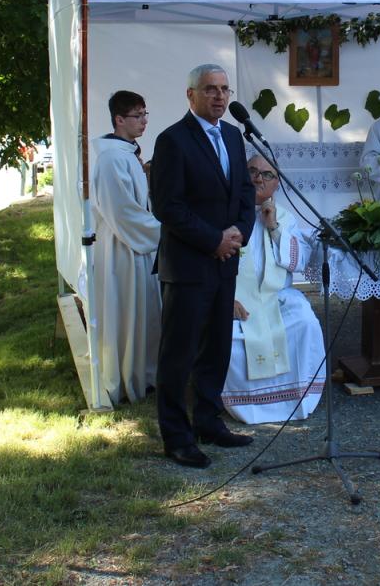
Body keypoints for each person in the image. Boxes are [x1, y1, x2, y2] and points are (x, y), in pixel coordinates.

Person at [149, 64, 256, 469]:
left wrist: (239, 233)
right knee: (179, 354)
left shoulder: (232, 135)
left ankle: (208, 421)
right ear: (190, 94)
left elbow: (244, 192)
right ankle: (177, 437)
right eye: (210, 89)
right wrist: (214, 240)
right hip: (189, 265)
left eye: (225, 89)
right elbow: (168, 206)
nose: (219, 96)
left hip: (224, 263)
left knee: (216, 348)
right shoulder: (172, 140)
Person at [221, 152, 326, 424]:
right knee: (227, 336)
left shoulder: (286, 218)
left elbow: (298, 262)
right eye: (252, 171)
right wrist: (225, 299)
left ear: (277, 183)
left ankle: (296, 397)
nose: (259, 179)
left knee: (305, 322)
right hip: (236, 301)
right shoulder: (226, 215)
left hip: (276, 298)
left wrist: (274, 227)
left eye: (267, 174)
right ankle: (244, 402)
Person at [89, 91, 162, 406]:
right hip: (122, 248)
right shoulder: (111, 159)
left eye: (145, 114)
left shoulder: (127, 154)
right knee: (126, 314)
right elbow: (122, 213)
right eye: (137, 115)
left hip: (138, 246)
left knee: (143, 313)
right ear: (119, 119)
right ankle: (125, 378)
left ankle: (144, 375)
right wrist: (165, 231)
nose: (144, 121)